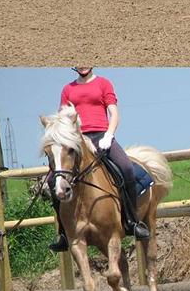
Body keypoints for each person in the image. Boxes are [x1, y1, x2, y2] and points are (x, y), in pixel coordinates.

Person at [49, 67, 149, 253]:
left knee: (127, 168)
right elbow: (63, 120)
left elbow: (114, 113)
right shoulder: (67, 89)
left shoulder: (103, 83)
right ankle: (63, 233)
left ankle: (132, 221)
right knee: (52, 181)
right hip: (77, 142)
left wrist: (109, 135)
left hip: (102, 136)